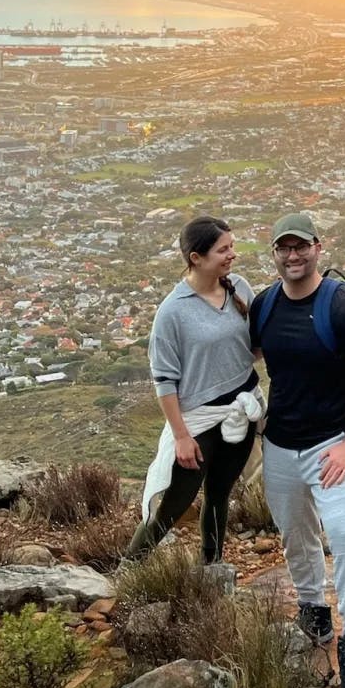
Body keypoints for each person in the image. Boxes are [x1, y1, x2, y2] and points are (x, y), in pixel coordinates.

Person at [250, 212, 345, 688]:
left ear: (317, 247)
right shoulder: (264, 305)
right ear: (274, 253)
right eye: (283, 248)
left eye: (301, 246)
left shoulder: (343, 308)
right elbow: (248, 358)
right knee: (296, 534)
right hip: (281, 444)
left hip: (333, 445)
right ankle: (313, 608)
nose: (293, 255)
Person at [129, 215, 264, 565]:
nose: (232, 254)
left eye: (232, 246)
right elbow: (164, 380)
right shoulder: (173, 312)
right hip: (199, 419)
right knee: (177, 500)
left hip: (241, 408)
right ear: (196, 258)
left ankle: (212, 565)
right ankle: (130, 566)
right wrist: (180, 436)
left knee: (220, 494)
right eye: (223, 249)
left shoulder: (239, 288)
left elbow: (253, 347)